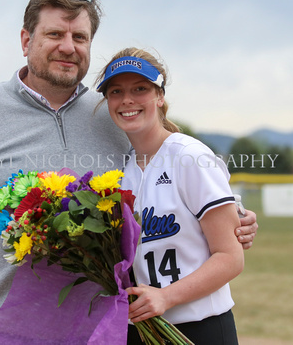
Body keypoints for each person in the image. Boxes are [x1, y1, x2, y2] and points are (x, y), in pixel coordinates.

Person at [0, 0, 258, 345]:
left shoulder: (111, 117)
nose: (68, 47)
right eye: (55, 34)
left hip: (90, 330)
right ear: (26, 40)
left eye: (80, 37)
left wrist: (235, 215)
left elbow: (169, 180)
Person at [96, 47, 245, 344]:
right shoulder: (123, 172)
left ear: (160, 97)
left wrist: (166, 297)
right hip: (144, 331)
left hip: (201, 328)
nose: (127, 100)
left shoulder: (189, 156)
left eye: (140, 89)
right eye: (116, 91)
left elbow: (230, 257)